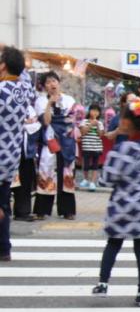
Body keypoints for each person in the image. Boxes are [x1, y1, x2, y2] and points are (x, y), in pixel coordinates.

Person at [91, 97, 140, 306]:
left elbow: (106, 179)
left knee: (113, 244)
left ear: (125, 123)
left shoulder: (121, 151)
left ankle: (103, 283)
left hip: (123, 208)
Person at [0, 46, 36, 261]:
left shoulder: (1, 90)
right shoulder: (26, 89)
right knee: (4, 202)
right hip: (11, 154)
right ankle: (4, 248)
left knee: (2, 207)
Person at [33, 72, 77, 221]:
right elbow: (45, 121)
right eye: (48, 82)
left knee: (67, 174)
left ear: (59, 82)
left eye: (54, 81)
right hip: (50, 141)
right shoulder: (40, 101)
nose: (52, 84)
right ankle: (42, 210)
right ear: (44, 86)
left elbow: (72, 120)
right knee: (46, 171)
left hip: (67, 141)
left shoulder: (69, 100)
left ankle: (67, 210)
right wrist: (49, 103)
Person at [79, 104, 105, 190]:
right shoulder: (84, 121)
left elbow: (100, 135)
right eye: (93, 110)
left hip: (96, 148)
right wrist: (91, 124)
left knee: (95, 166)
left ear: (99, 113)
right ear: (89, 111)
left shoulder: (100, 123)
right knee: (85, 165)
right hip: (87, 147)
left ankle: (93, 182)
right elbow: (83, 132)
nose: (94, 112)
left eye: (97, 111)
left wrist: (96, 125)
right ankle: (86, 179)